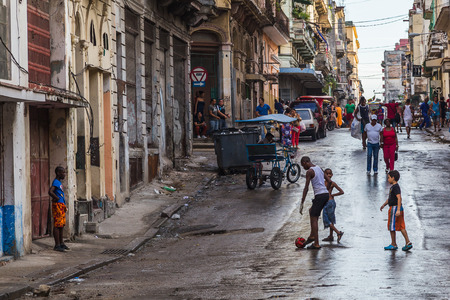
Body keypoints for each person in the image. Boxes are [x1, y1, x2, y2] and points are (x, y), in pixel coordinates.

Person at [299, 156, 332, 250]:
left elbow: (306, 187)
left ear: (305, 162)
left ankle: (316, 243)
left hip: (320, 195)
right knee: (312, 211)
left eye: (303, 165)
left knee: (314, 218)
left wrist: (302, 201)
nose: (303, 167)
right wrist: (326, 191)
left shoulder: (309, 171)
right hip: (325, 194)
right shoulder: (319, 168)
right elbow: (329, 181)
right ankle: (312, 235)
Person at [380, 170, 413, 251]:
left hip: (395, 209)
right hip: (398, 208)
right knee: (401, 226)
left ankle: (393, 244)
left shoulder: (395, 187)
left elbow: (399, 198)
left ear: (393, 178)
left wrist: (397, 210)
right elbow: (390, 198)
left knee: (391, 226)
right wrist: (384, 204)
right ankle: (408, 242)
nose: (388, 179)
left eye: (389, 178)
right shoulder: (394, 187)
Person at [48, 166, 69, 252]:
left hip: (61, 205)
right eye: (62, 172)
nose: (64, 174)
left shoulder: (58, 182)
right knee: (57, 225)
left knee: (61, 225)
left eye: (64, 172)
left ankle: (61, 243)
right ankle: (57, 245)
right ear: (58, 173)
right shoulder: (55, 182)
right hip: (57, 205)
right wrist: (56, 198)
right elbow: (50, 191)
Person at [321, 168, 345, 243]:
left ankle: (338, 233)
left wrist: (333, 194)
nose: (328, 175)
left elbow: (342, 192)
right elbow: (341, 192)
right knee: (331, 219)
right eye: (327, 174)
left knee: (327, 220)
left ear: (332, 175)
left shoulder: (325, 183)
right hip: (332, 202)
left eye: (329, 174)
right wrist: (333, 195)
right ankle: (331, 236)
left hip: (328, 202)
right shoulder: (332, 183)